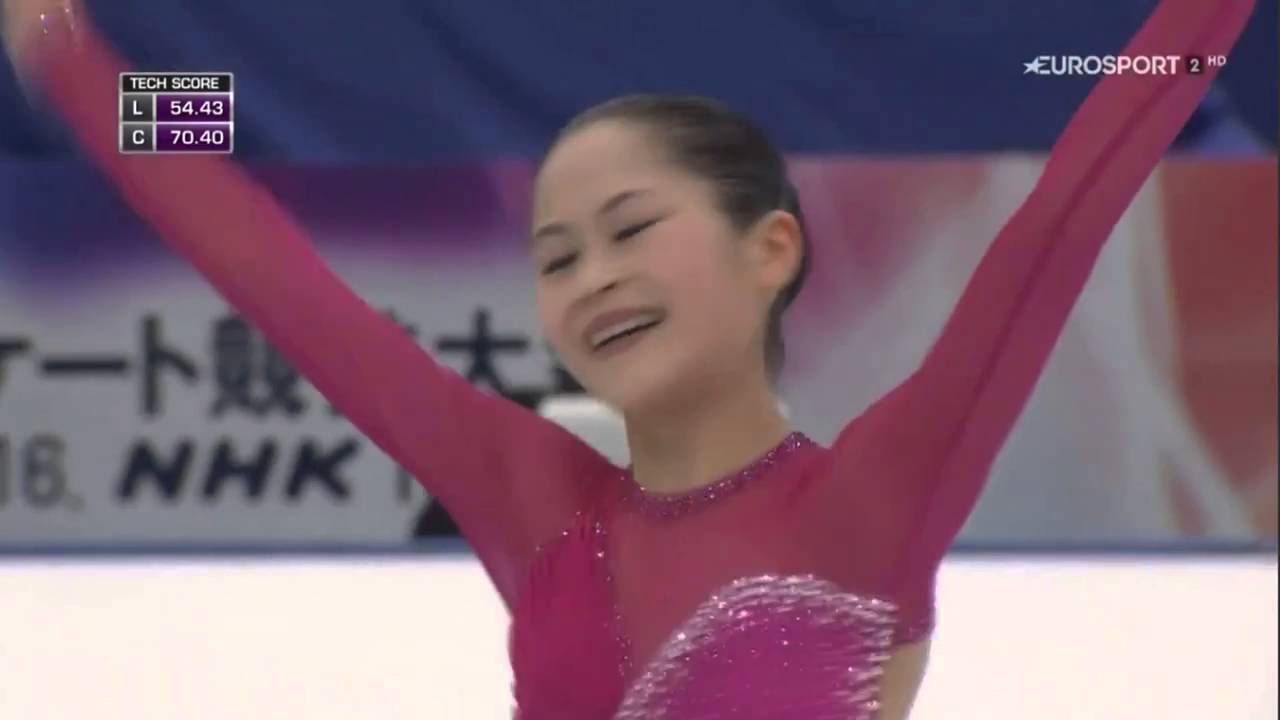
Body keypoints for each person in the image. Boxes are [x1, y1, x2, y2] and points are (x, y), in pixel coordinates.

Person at [1, 0, 1255, 717]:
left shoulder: (869, 502)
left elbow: (1069, 206)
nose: (590, 275)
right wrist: (70, 56)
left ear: (770, 248)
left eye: (631, 229)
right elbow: (262, 264)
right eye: (555, 255)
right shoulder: (531, 501)